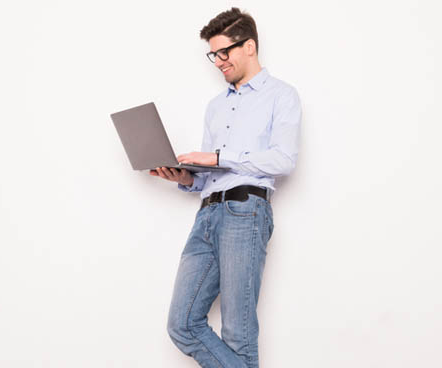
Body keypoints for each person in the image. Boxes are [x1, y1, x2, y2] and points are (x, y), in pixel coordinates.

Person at [151, 7, 301, 368]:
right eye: (213, 54)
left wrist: (217, 157)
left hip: (245, 211)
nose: (217, 61)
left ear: (249, 46)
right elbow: (207, 174)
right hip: (206, 215)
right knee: (183, 324)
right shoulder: (215, 107)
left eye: (224, 52)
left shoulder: (282, 95)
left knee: (238, 333)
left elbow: (284, 160)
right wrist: (185, 177)